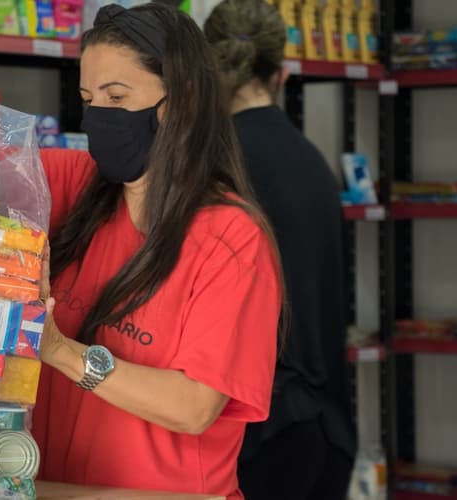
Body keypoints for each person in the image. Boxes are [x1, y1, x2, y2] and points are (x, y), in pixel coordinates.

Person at [30, 3, 283, 497]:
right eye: (88, 98)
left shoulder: (229, 237)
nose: (98, 114)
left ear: (179, 100)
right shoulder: (82, 185)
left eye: (116, 96)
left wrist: (60, 352)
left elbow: (193, 408)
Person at [203, 1, 358, 499]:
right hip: (327, 430)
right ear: (283, 76)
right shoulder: (314, 164)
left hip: (252, 435)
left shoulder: (213, 168)